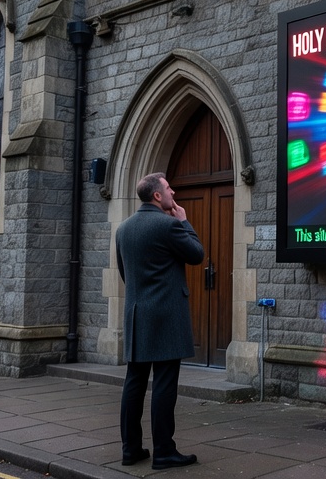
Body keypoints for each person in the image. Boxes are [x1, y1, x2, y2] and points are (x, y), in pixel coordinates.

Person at [117, 172, 204, 470]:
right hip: (166, 316)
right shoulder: (169, 225)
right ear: (157, 196)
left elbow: (125, 273)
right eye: (168, 189)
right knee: (165, 384)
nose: (173, 192)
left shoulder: (123, 228)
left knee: (135, 382)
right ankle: (164, 451)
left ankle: (130, 449)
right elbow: (196, 254)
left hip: (137, 314)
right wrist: (184, 221)